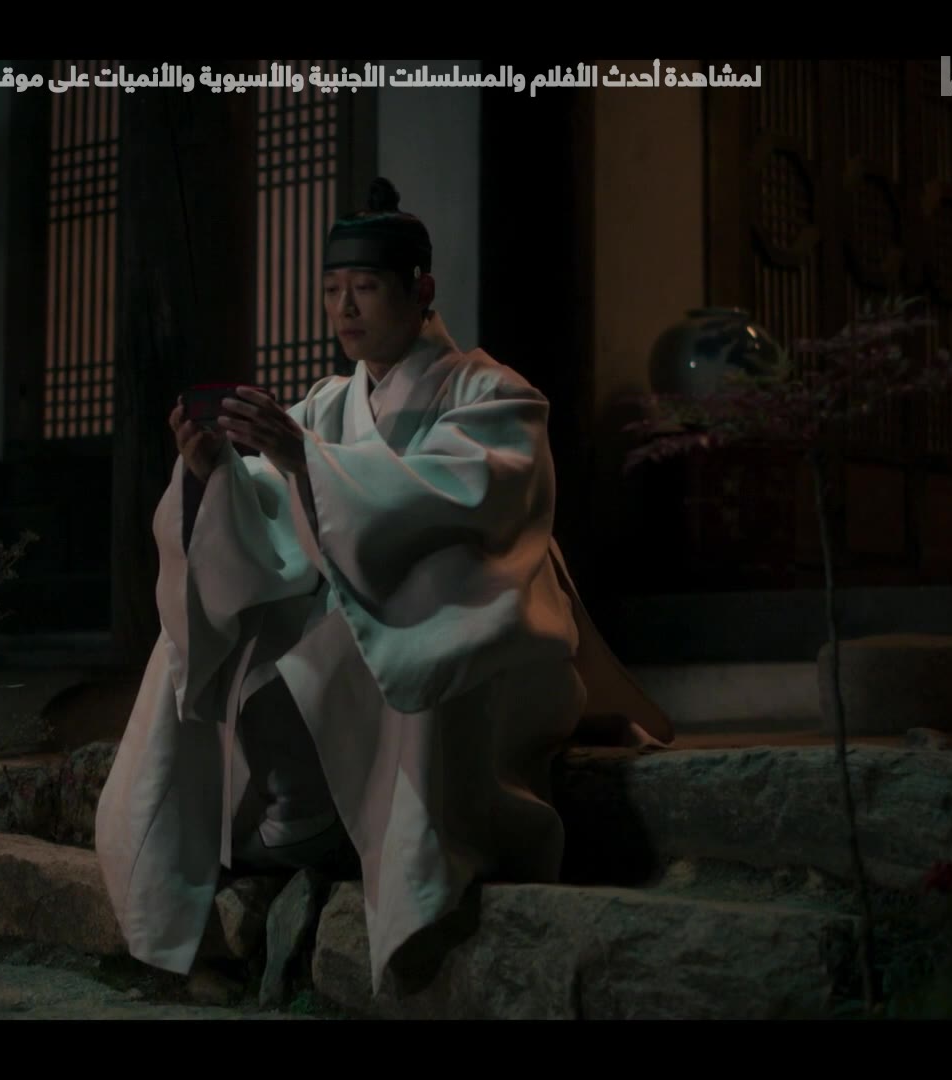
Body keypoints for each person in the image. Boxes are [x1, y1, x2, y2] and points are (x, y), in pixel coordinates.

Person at [93, 177, 672, 996]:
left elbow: (457, 507)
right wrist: (211, 472)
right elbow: (268, 512)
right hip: (359, 612)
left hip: (466, 624)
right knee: (193, 644)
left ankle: (373, 850)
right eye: (332, 289)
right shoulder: (328, 404)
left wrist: (305, 461)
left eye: (364, 287)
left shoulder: (495, 394)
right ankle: (183, 896)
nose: (344, 308)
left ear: (421, 290)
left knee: (371, 638)